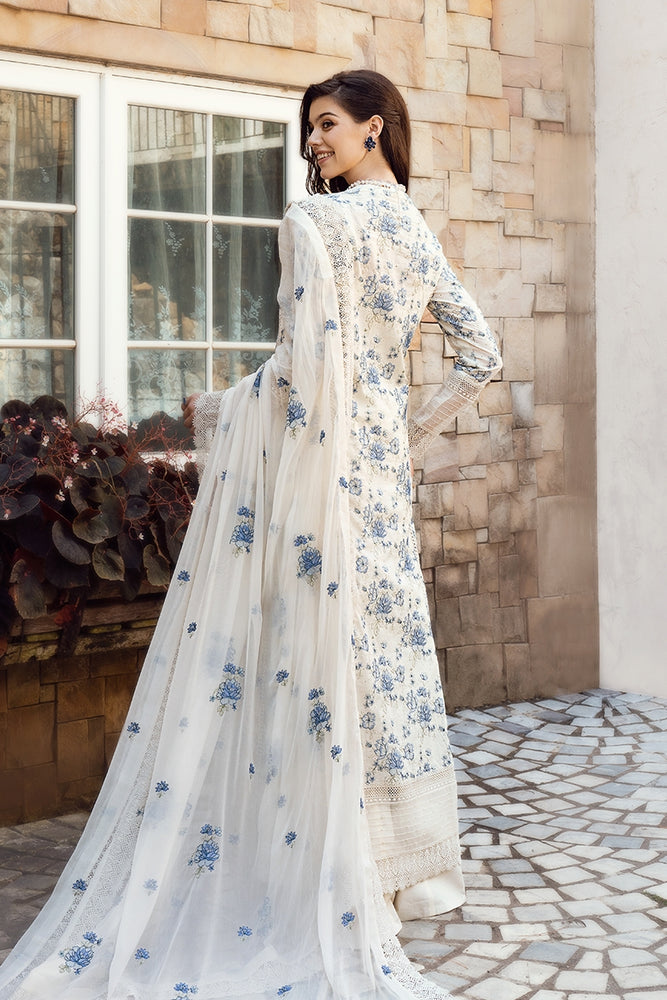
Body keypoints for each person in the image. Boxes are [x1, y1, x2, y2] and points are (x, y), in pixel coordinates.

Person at [0, 70, 501, 1000]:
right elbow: (481, 357)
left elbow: (300, 369)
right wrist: (395, 436)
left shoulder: (316, 223)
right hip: (378, 497)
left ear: (375, 127)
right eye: (308, 127)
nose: (313, 140)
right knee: (372, 669)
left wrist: (219, 411)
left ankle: (308, 878)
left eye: (327, 124)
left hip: (317, 491)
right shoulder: (412, 228)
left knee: (301, 664)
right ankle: (380, 885)